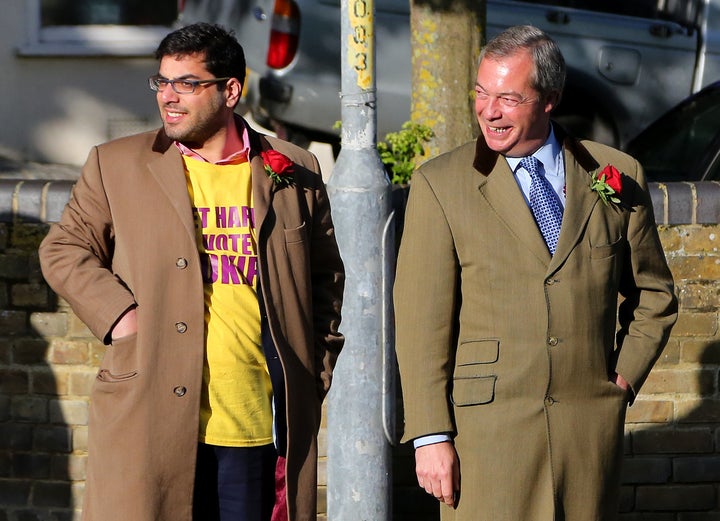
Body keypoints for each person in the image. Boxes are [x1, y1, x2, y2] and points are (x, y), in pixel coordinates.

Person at [39, 22, 344, 521]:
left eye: (186, 83)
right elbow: (65, 248)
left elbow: (325, 282)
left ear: (230, 91)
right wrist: (120, 316)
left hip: (253, 424)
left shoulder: (293, 169)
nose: (169, 97)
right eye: (161, 82)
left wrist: (312, 373)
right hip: (150, 414)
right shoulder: (116, 165)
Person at [393, 25, 677, 521]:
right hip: (485, 438)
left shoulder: (615, 174)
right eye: (480, 93)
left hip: (586, 438)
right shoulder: (441, 184)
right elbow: (421, 323)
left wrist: (621, 381)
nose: (488, 110)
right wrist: (430, 436)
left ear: (550, 99)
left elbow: (654, 295)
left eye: (507, 97)